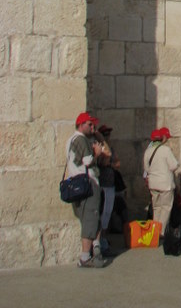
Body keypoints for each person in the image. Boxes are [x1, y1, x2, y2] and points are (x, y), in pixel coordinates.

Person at [66, 112, 105, 268]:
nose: (92, 127)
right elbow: (88, 161)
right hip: (88, 183)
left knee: (88, 218)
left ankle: (95, 247)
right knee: (91, 218)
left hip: (76, 183)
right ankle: (85, 257)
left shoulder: (70, 140)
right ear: (81, 124)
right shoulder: (81, 139)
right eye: (89, 124)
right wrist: (97, 153)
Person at [143, 127, 179, 235]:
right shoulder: (165, 150)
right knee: (166, 207)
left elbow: (146, 168)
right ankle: (161, 232)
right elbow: (173, 165)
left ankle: (154, 231)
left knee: (156, 207)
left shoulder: (148, 151)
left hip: (153, 183)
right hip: (165, 183)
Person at [96, 124, 120, 254]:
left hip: (110, 183)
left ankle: (104, 239)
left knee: (107, 213)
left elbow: (118, 163)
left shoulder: (110, 148)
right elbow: (104, 162)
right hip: (102, 184)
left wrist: (111, 163)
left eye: (108, 135)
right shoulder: (102, 148)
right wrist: (111, 163)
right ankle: (100, 241)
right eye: (105, 135)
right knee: (102, 213)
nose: (108, 137)